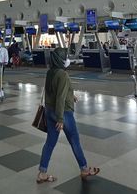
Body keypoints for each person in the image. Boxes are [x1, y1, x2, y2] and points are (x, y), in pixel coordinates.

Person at [37, 47, 100, 184]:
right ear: (60, 59)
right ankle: (84, 169)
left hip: (49, 111)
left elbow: (54, 92)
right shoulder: (63, 75)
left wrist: (71, 96)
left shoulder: (51, 72)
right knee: (74, 141)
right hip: (63, 113)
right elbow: (60, 97)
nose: (67, 59)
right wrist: (60, 118)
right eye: (65, 57)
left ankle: (42, 173)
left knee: (50, 143)